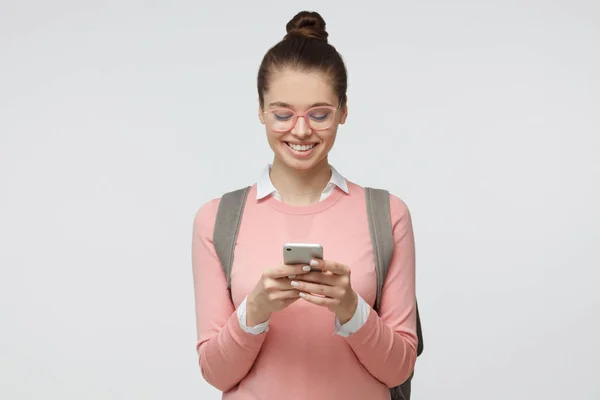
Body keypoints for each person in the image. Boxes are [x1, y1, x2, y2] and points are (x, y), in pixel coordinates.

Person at [191, 10, 418, 400]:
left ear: (343, 112)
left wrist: (351, 307)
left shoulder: (386, 215)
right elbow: (215, 373)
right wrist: (255, 311)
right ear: (260, 111)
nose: (300, 130)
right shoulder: (217, 220)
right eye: (282, 114)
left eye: (319, 114)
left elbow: (398, 368)